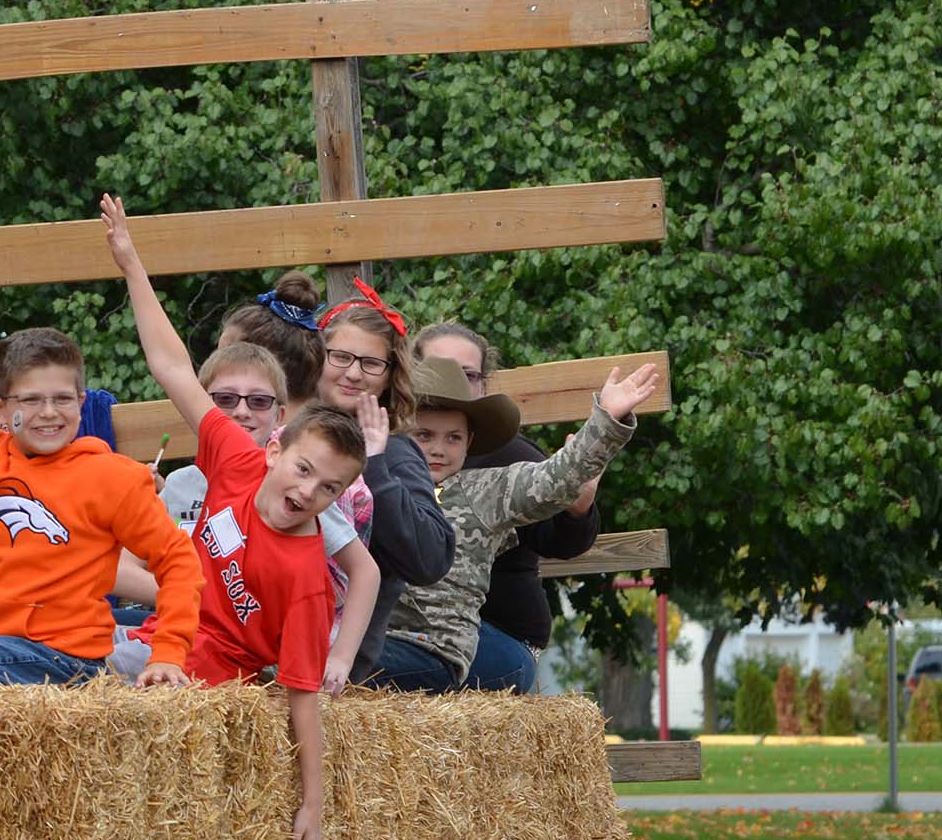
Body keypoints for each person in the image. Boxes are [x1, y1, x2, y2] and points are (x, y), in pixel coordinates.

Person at [105, 197, 366, 840]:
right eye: (304, 471)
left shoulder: (307, 581)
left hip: (199, 675)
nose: (307, 493)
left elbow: (302, 700)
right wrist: (132, 264)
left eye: (328, 489)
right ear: (278, 452)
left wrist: (312, 805)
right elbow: (169, 365)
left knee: (87, 679)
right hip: (157, 634)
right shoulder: (236, 457)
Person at [0, 229, 204, 699]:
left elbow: (178, 562)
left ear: (81, 401)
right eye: (32, 400)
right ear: (2, 410)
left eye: (62, 399)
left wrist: (168, 652)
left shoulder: (113, 477)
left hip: (61, 662)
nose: (49, 412)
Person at [372, 356, 662, 691]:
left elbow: (557, 476)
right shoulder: (379, 481)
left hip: (435, 650)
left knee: (344, 667)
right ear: (399, 434)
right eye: (424, 435)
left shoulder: (487, 490)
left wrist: (606, 421)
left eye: (453, 438)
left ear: (469, 443)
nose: (438, 449)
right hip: (380, 637)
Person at [224, 271, 457, 676]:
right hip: (251, 626)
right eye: (341, 357)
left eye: (370, 363)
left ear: (388, 377)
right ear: (317, 354)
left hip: (331, 654)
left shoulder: (397, 452)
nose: (353, 373)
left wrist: (377, 464)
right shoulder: (282, 430)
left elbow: (431, 559)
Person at [153, 341, 381, 696]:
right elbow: (124, 566)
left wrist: (340, 657)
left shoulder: (297, 493)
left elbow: (366, 571)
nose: (241, 411)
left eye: (258, 401)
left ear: (280, 417)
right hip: (180, 624)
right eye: (225, 399)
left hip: (247, 652)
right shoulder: (182, 484)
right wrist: (182, 595)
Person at [410, 320, 602, 693]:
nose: (457, 384)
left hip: (497, 632)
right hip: (411, 628)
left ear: (484, 383)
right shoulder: (382, 453)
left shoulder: (511, 458)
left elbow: (559, 541)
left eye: (468, 374)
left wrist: (578, 507)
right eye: (441, 370)